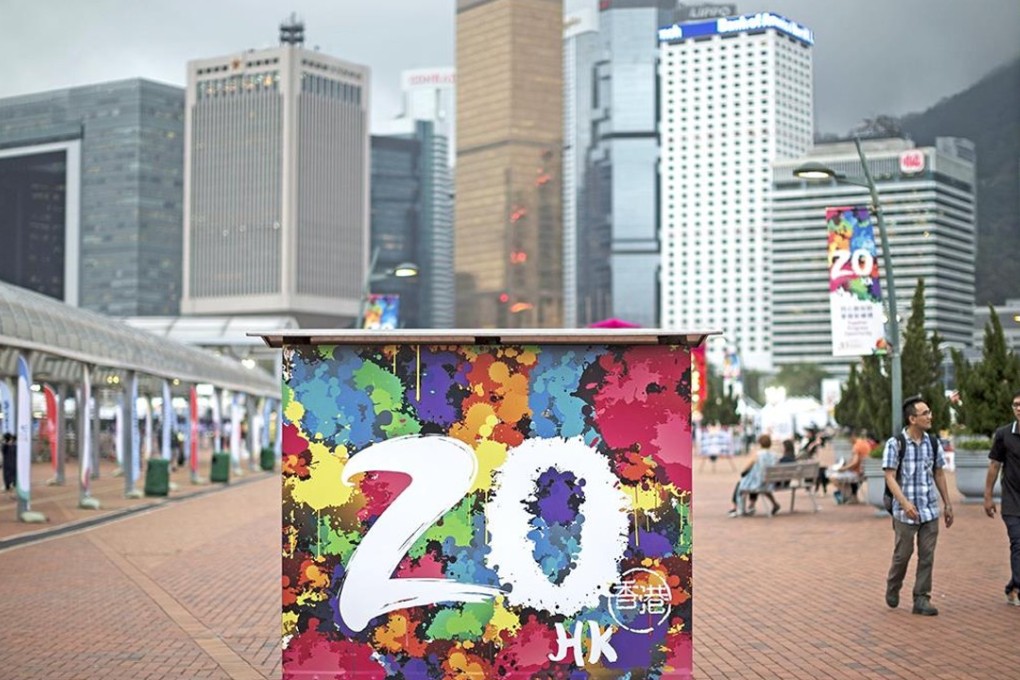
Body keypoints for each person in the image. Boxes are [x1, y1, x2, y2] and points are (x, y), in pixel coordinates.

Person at [883, 396, 954, 616]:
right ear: (912, 418)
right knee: (902, 555)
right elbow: (890, 477)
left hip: (929, 509)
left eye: (930, 412)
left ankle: (921, 598)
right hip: (905, 512)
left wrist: (947, 504)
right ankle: (893, 585)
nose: (930, 416)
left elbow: (939, 473)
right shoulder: (895, 444)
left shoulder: (933, 443)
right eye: (925, 414)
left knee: (927, 556)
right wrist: (904, 504)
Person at [984, 389, 1020, 607]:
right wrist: (988, 496)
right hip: (1012, 501)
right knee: (1018, 543)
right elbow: (994, 465)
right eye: (1016, 405)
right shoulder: (1004, 434)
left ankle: (1013, 586)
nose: (1019, 408)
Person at [729, 434, 780, 517]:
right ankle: (753, 505)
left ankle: (737, 507)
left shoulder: (758, 455)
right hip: (770, 483)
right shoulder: (775, 455)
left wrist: (744, 472)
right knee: (756, 481)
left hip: (760, 482)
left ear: (760, 444)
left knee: (742, 484)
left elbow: (747, 467)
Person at [829, 429, 871, 504]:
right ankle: (852, 496)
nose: (849, 441)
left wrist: (843, 469)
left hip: (857, 473)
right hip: (864, 472)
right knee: (844, 476)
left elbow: (855, 463)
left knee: (833, 477)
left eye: (848, 439)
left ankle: (848, 495)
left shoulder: (856, 446)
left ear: (852, 436)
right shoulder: (865, 443)